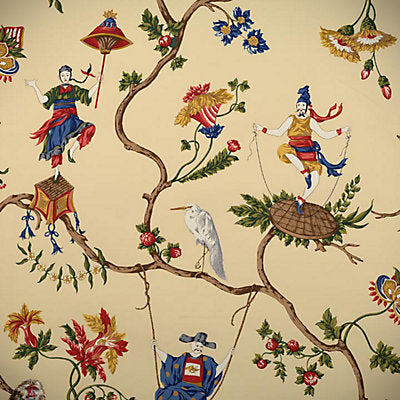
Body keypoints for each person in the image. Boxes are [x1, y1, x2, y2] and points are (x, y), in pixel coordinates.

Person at [254, 85, 351, 214]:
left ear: (306, 107)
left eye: (302, 105)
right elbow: (279, 132)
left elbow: (325, 135)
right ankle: (305, 173)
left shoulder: (311, 121)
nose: (300, 107)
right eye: (298, 105)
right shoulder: (291, 119)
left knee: (315, 180)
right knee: (283, 150)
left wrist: (342, 130)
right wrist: (262, 129)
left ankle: (300, 201)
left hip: (308, 153)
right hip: (294, 150)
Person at [25, 65, 100, 180]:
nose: (65, 77)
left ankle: (72, 150)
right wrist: (35, 86)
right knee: (56, 146)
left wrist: (98, 83)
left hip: (72, 120)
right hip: (58, 122)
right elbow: (44, 100)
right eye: (63, 75)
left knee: (90, 128)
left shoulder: (74, 89)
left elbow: (87, 95)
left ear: (70, 76)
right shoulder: (55, 91)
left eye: (67, 75)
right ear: (59, 76)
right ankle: (56, 172)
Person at [152, 332, 234, 400]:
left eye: (201, 346)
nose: (199, 348)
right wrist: (156, 349)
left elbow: (217, 370)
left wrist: (229, 355)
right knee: (170, 393)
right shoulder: (183, 358)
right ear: (191, 344)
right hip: (180, 387)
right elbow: (168, 360)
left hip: (197, 390)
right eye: (197, 345)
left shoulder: (207, 361)